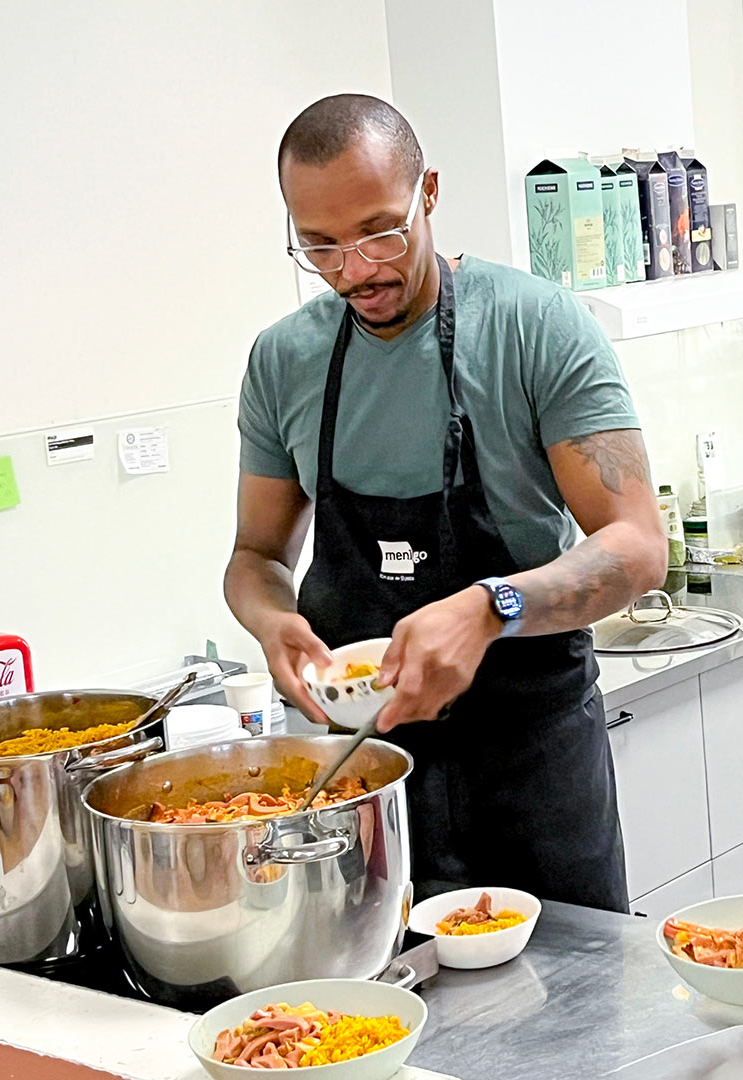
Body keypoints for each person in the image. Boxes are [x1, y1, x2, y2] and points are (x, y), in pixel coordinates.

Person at [223, 94, 666, 912]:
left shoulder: (538, 326)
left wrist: (493, 607)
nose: (355, 269)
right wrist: (270, 622)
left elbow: (638, 543)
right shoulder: (284, 360)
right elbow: (254, 559)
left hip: (532, 763)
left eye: (379, 231)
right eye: (320, 245)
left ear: (427, 191)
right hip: (367, 771)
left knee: (574, 1008)